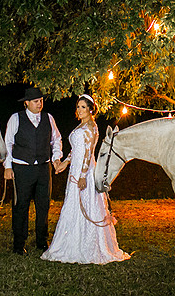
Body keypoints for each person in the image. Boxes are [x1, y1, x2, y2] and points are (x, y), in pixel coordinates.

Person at [42, 94, 130, 265]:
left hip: (85, 172)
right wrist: (65, 163)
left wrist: (83, 176)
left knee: (87, 205)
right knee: (72, 205)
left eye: (83, 107)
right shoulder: (81, 126)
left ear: (91, 109)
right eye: (78, 107)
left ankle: (88, 246)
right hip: (75, 170)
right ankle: (71, 241)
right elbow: (76, 149)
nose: (80, 110)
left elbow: (88, 154)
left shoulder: (91, 127)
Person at [3, 87, 63, 255]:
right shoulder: (16, 118)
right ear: (26, 103)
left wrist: (56, 157)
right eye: (36, 101)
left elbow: (56, 139)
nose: (39, 104)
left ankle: (42, 241)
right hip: (22, 168)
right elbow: (8, 143)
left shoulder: (48, 118)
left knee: (43, 206)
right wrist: (8, 166)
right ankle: (18, 244)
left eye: (41, 101)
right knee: (21, 206)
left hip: (44, 168)